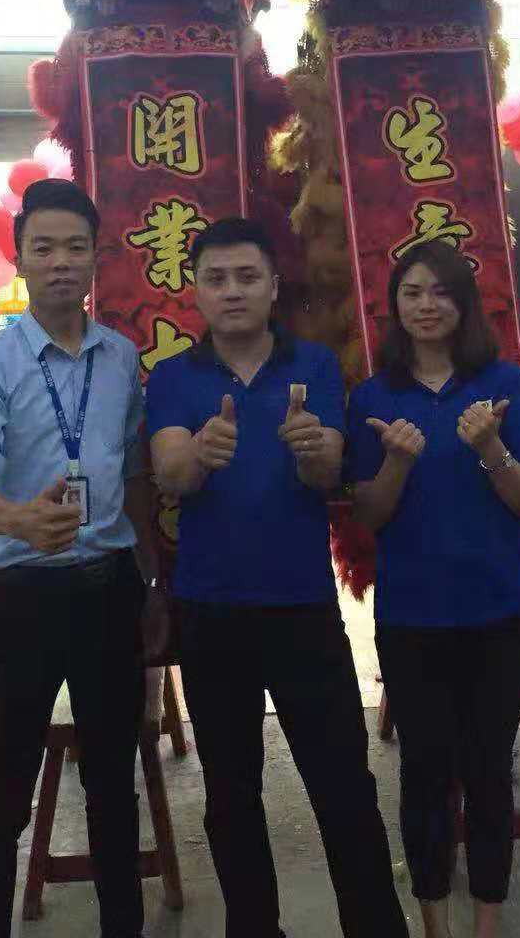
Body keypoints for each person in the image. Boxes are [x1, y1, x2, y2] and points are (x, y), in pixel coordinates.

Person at [147, 217, 408, 938]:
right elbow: (169, 475)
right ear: (196, 290)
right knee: (231, 796)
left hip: (302, 609)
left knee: (344, 786)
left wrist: (317, 450)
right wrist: (199, 453)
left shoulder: (314, 366)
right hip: (210, 613)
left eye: (247, 276)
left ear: (272, 286)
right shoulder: (173, 377)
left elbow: (329, 476)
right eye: (216, 278)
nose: (232, 291)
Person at [0, 178, 166, 938]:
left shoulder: (121, 358)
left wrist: (151, 579)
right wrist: (19, 520)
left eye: (76, 247)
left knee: (113, 786)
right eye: (43, 248)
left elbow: (134, 475)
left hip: (108, 593)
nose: (61, 263)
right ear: (19, 259)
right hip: (23, 600)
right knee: (5, 790)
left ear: (96, 258)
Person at [346, 240, 520, 938]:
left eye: (441, 292)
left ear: (464, 304)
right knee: (425, 773)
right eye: (412, 292)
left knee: (489, 770)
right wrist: (397, 463)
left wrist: (491, 447)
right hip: (414, 618)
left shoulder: (504, 385)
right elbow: (369, 516)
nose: (426, 305)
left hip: (498, 613)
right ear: (394, 307)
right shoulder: (373, 397)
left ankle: (487, 920)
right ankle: (433, 920)